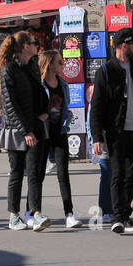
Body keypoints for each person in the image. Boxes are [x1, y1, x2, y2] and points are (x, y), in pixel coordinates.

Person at [89, 28, 133, 234]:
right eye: (132, 45)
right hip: (115, 131)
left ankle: (126, 215)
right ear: (123, 46)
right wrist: (96, 136)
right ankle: (118, 218)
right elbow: (97, 106)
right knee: (118, 174)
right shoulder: (106, 70)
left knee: (130, 175)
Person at [0, 33, 51, 231]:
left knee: (35, 171)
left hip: (34, 125)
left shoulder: (33, 66)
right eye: (32, 43)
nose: (36, 45)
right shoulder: (9, 70)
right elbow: (10, 104)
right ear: (23, 47)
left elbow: (39, 93)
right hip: (16, 129)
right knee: (17, 172)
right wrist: (25, 130)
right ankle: (14, 215)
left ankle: (35, 213)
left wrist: (45, 112)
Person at [38, 49, 83, 228]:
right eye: (59, 62)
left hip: (60, 132)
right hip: (43, 133)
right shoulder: (40, 85)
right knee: (38, 174)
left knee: (63, 173)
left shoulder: (63, 84)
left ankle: (69, 214)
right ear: (49, 64)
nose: (63, 65)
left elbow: (65, 106)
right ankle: (33, 211)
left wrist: (67, 116)